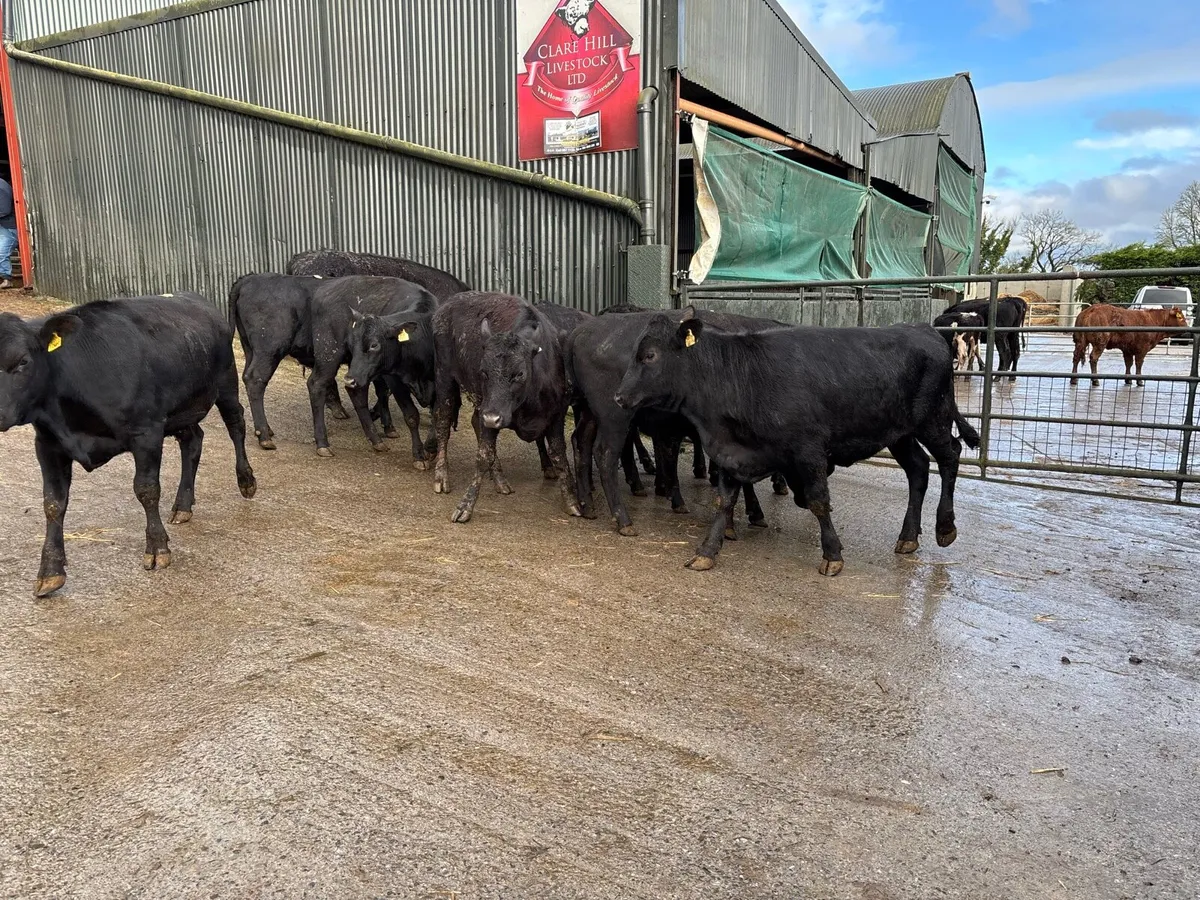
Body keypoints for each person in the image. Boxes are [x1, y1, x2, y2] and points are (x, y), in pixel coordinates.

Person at [0, 176, 17, 289]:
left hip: (9, 226)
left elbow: (4, 210)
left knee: (1, 253)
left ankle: (7, 279)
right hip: (4, 225)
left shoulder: (1, 187)